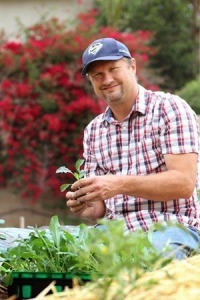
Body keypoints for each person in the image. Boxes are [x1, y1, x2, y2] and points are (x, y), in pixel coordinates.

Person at [66, 37, 200, 259]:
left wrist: (119, 184)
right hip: (114, 233)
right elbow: (99, 209)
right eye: (98, 75)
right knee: (65, 261)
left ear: (133, 67)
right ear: (91, 81)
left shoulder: (170, 108)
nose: (107, 79)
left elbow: (184, 183)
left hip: (170, 228)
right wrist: (85, 206)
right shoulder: (94, 130)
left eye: (113, 69)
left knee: (147, 260)